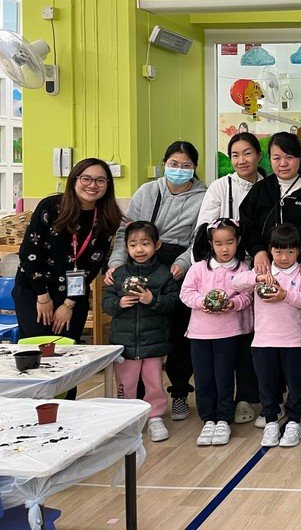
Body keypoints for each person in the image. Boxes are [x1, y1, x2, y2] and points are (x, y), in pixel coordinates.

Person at [239, 131, 301, 430]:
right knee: (268, 342)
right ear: (269, 160)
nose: (283, 164)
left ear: (299, 159)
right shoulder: (261, 190)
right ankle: (272, 403)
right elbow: (248, 227)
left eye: (289, 157)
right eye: (276, 158)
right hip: (268, 278)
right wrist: (258, 251)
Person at [106, 141, 207, 421]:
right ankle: (134, 399)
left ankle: (179, 393)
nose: (179, 170)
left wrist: (183, 263)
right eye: (173, 164)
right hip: (140, 262)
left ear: (194, 168)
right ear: (164, 163)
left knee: (179, 333)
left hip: (178, 266)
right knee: (140, 328)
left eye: (186, 165)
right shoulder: (147, 192)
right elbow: (125, 233)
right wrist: (116, 263)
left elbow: (200, 239)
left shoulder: (204, 196)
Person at [13, 159, 122, 386]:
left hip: (74, 294)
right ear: (74, 180)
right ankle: (35, 403)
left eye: (100, 180)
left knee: (68, 357)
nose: (92, 185)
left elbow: (93, 265)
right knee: (37, 354)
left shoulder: (107, 217)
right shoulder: (51, 207)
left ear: (108, 185)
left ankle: (66, 403)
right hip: (34, 290)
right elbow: (29, 253)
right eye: (86, 179)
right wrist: (43, 297)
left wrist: (69, 304)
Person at [195, 132, 265, 425]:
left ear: (259, 156)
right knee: (226, 339)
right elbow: (203, 230)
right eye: (235, 155)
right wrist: (209, 271)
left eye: (247, 153)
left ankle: (246, 398)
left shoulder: (269, 186)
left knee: (250, 336)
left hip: (259, 269)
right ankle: (222, 401)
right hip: (223, 270)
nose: (241, 160)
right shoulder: (220, 187)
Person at [232, 223, 301, 448]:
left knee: (296, 384)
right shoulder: (263, 271)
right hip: (263, 341)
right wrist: (257, 279)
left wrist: (285, 295)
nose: (284, 257)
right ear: (270, 250)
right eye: (279, 251)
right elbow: (235, 282)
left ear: (299, 250)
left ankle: (294, 421)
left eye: (290, 251)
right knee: (267, 384)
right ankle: (270, 420)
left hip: (295, 342)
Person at [102, 221, 180, 443]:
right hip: (125, 342)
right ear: (126, 247)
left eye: (145, 243)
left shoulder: (164, 274)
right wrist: (118, 303)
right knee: (125, 382)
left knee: (153, 381)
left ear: (157, 245)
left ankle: (155, 417)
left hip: (153, 341)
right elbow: (106, 303)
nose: (139, 249)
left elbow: (174, 302)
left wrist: (152, 300)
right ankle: (127, 417)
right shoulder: (118, 274)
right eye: (133, 244)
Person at [180, 219, 252, 447]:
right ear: (211, 244)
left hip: (229, 334)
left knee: (224, 377)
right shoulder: (198, 268)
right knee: (203, 379)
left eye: (229, 242)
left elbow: (248, 296)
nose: (224, 248)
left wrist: (233, 304)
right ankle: (208, 419)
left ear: (238, 241)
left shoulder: (243, 269)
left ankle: (223, 419)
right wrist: (202, 302)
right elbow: (185, 293)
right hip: (199, 335)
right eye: (219, 243)